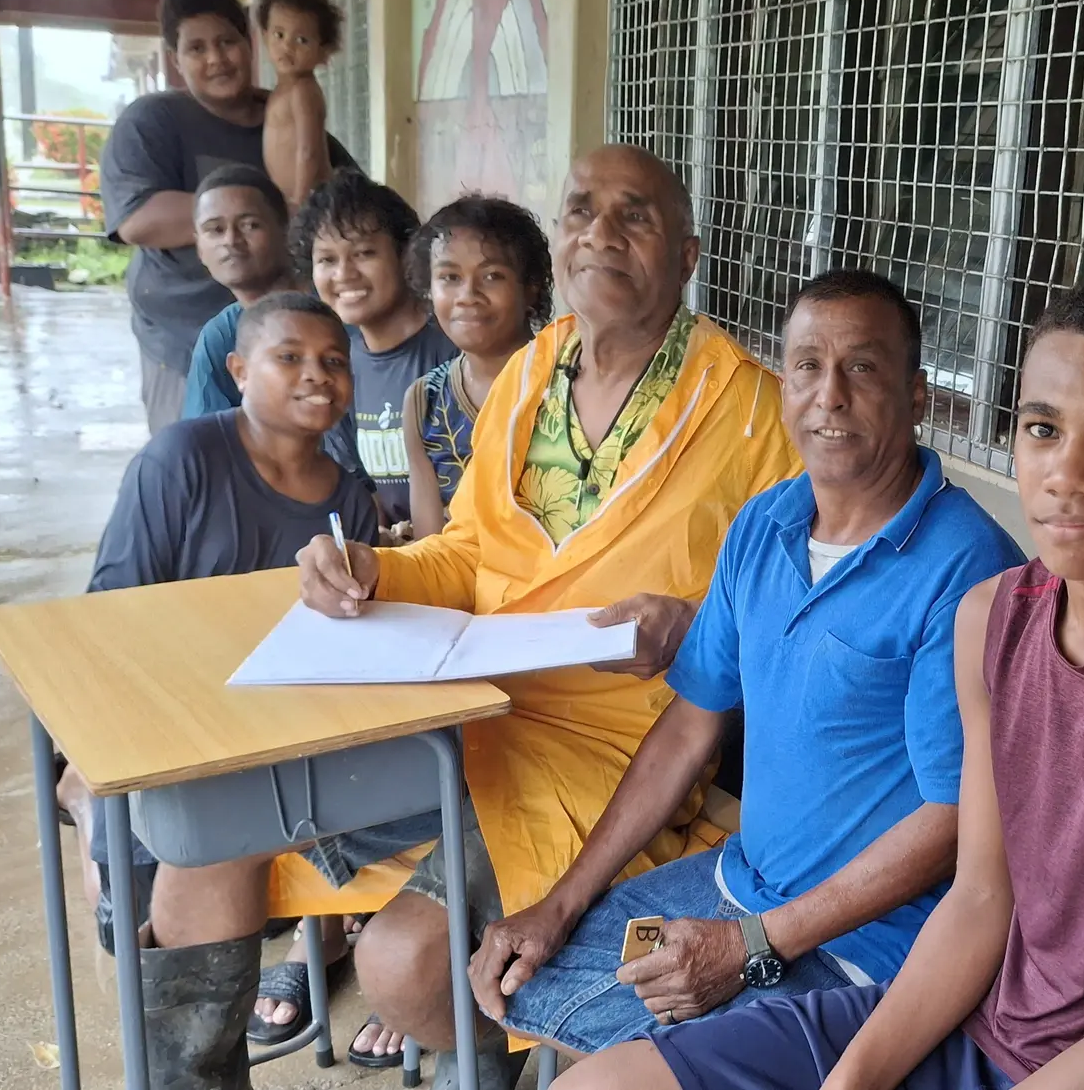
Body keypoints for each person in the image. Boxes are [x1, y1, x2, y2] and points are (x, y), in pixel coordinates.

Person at [558, 271, 1084, 1090]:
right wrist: (853, 1080)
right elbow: (981, 901)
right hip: (972, 1022)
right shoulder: (995, 616)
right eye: (1043, 428)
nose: (1067, 473)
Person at [294, 144, 801, 1087]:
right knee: (225, 826)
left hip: (614, 745)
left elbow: (793, 616)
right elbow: (470, 553)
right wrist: (374, 567)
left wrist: (695, 627)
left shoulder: (754, 413)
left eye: (635, 216)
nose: (600, 232)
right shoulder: (526, 375)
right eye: (580, 212)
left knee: (405, 964)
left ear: (688, 256)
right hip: (471, 702)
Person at [468, 269, 1023, 1054]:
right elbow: (689, 723)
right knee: (532, 979)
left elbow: (956, 818)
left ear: (918, 393)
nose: (829, 394)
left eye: (862, 367)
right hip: (738, 882)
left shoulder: (966, 566)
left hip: (867, 944)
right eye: (806, 366)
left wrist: (753, 946)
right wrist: (560, 901)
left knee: (634, 1067)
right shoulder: (764, 524)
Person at [57, 290, 376, 966]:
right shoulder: (178, 459)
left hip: (280, 724)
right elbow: (110, 615)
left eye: (333, 360)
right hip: (163, 717)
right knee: (140, 927)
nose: (317, 374)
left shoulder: (350, 498)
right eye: (288, 357)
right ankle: (86, 793)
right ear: (236, 370)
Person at [101, 0, 355, 434]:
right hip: (182, 342)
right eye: (196, 49)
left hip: (289, 344)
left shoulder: (290, 112)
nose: (216, 58)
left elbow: (350, 209)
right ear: (175, 59)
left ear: (250, 42)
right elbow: (138, 219)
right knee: (196, 469)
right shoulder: (153, 122)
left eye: (227, 42)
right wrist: (275, 214)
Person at [298, 169, 460, 535]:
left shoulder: (453, 346)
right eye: (326, 259)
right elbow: (358, 485)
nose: (344, 273)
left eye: (364, 253)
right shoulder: (336, 362)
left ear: (406, 256)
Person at [401, 196, 551, 541]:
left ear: (531, 288)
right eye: (450, 277)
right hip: (456, 586)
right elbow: (430, 545)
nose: (468, 294)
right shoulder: (425, 401)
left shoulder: (565, 379)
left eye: (492, 276)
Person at [179, 165, 300, 418]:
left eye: (249, 225)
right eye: (215, 230)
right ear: (199, 248)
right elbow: (203, 439)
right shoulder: (220, 335)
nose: (231, 240)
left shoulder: (338, 307)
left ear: (286, 231)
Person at [254, 0, 342, 208]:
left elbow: (308, 151)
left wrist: (302, 202)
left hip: (313, 200)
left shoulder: (303, 91)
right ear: (264, 36)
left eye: (302, 40)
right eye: (279, 35)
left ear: (324, 52)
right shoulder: (279, 91)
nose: (287, 47)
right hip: (293, 201)